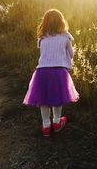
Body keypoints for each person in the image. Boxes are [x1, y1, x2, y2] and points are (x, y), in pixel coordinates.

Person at [23, 8, 79, 137]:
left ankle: (46, 126)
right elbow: (71, 54)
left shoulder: (41, 38)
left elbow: (44, 52)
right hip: (59, 71)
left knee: (43, 99)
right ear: (61, 21)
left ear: (45, 22)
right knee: (57, 97)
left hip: (42, 71)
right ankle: (56, 122)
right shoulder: (66, 36)